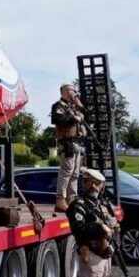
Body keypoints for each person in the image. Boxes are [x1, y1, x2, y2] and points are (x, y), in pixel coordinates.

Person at [50, 83, 86, 212]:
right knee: (67, 170)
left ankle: (72, 198)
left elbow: (83, 113)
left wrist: (79, 112)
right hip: (67, 142)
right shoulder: (58, 105)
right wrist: (74, 118)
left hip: (77, 141)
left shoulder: (73, 106)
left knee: (75, 172)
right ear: (64, 91)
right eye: (71, 90)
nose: (74, 92)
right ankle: (60, 200)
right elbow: (58, 119)